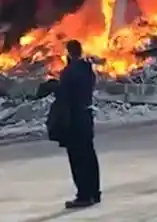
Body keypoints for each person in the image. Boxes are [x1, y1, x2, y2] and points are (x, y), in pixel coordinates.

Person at [46, 40, 101, 208]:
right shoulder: (88, 70)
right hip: (87, 116)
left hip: (75, 119)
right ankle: (94, 192)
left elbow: (65, 97)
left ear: (68, 52)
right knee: (89, 156)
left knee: (78, 158)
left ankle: (83, 195)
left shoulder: (69, 72)